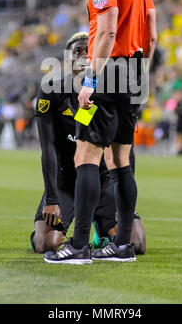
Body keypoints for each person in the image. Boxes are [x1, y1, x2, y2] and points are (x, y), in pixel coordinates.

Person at [44, 0, 156, 265]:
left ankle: (78, 247)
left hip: (108, 72)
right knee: (121, 160)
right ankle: (122, 245)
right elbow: (151, 36)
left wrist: (91, 80)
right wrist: (141, 77)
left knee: (86, 157)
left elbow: (106, 33)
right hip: (136, 71)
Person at [32, 32, 146, 255]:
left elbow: (125, 152)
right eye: (77, 52)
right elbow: (48, 149)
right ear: (67, 59)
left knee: (137, 244)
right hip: (66, 180)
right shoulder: (51, 89)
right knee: (47, 243)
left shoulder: (113, 90)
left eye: (89, 51)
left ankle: (98, 228)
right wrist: (52, 197)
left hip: (104, 180)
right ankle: (77, 226)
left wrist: (123, 201)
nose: (84, 56)